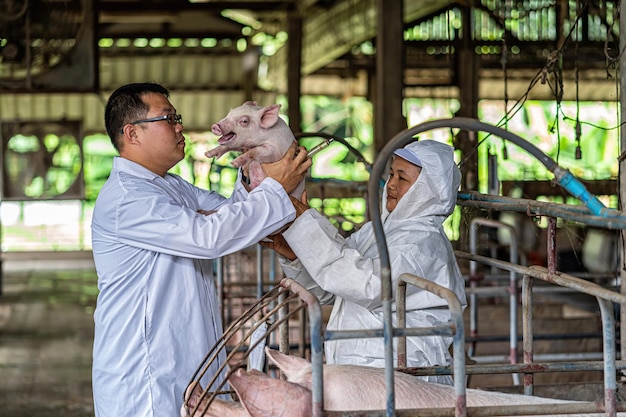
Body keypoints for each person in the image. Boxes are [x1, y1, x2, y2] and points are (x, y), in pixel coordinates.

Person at [90, 82, 311, 417]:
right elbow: (209, 237)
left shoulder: (170, 186)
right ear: (132, 133)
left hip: (189, 360)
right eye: (168, 118)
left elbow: (230, 214)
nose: (179, 126)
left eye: (176, 116)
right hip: (146, 376)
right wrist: (277, 190)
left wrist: (261, 168)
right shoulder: (127, 198)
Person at [262, 139, 466, 385]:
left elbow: (366, 286)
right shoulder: (377, 231)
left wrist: (306, 224)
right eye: (392, 174)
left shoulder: (421, 244)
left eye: (403, 178)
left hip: (402, 373)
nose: (390, 184)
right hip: (369, 368)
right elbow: (333, 286)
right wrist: (294, 254)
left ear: (428, 190)